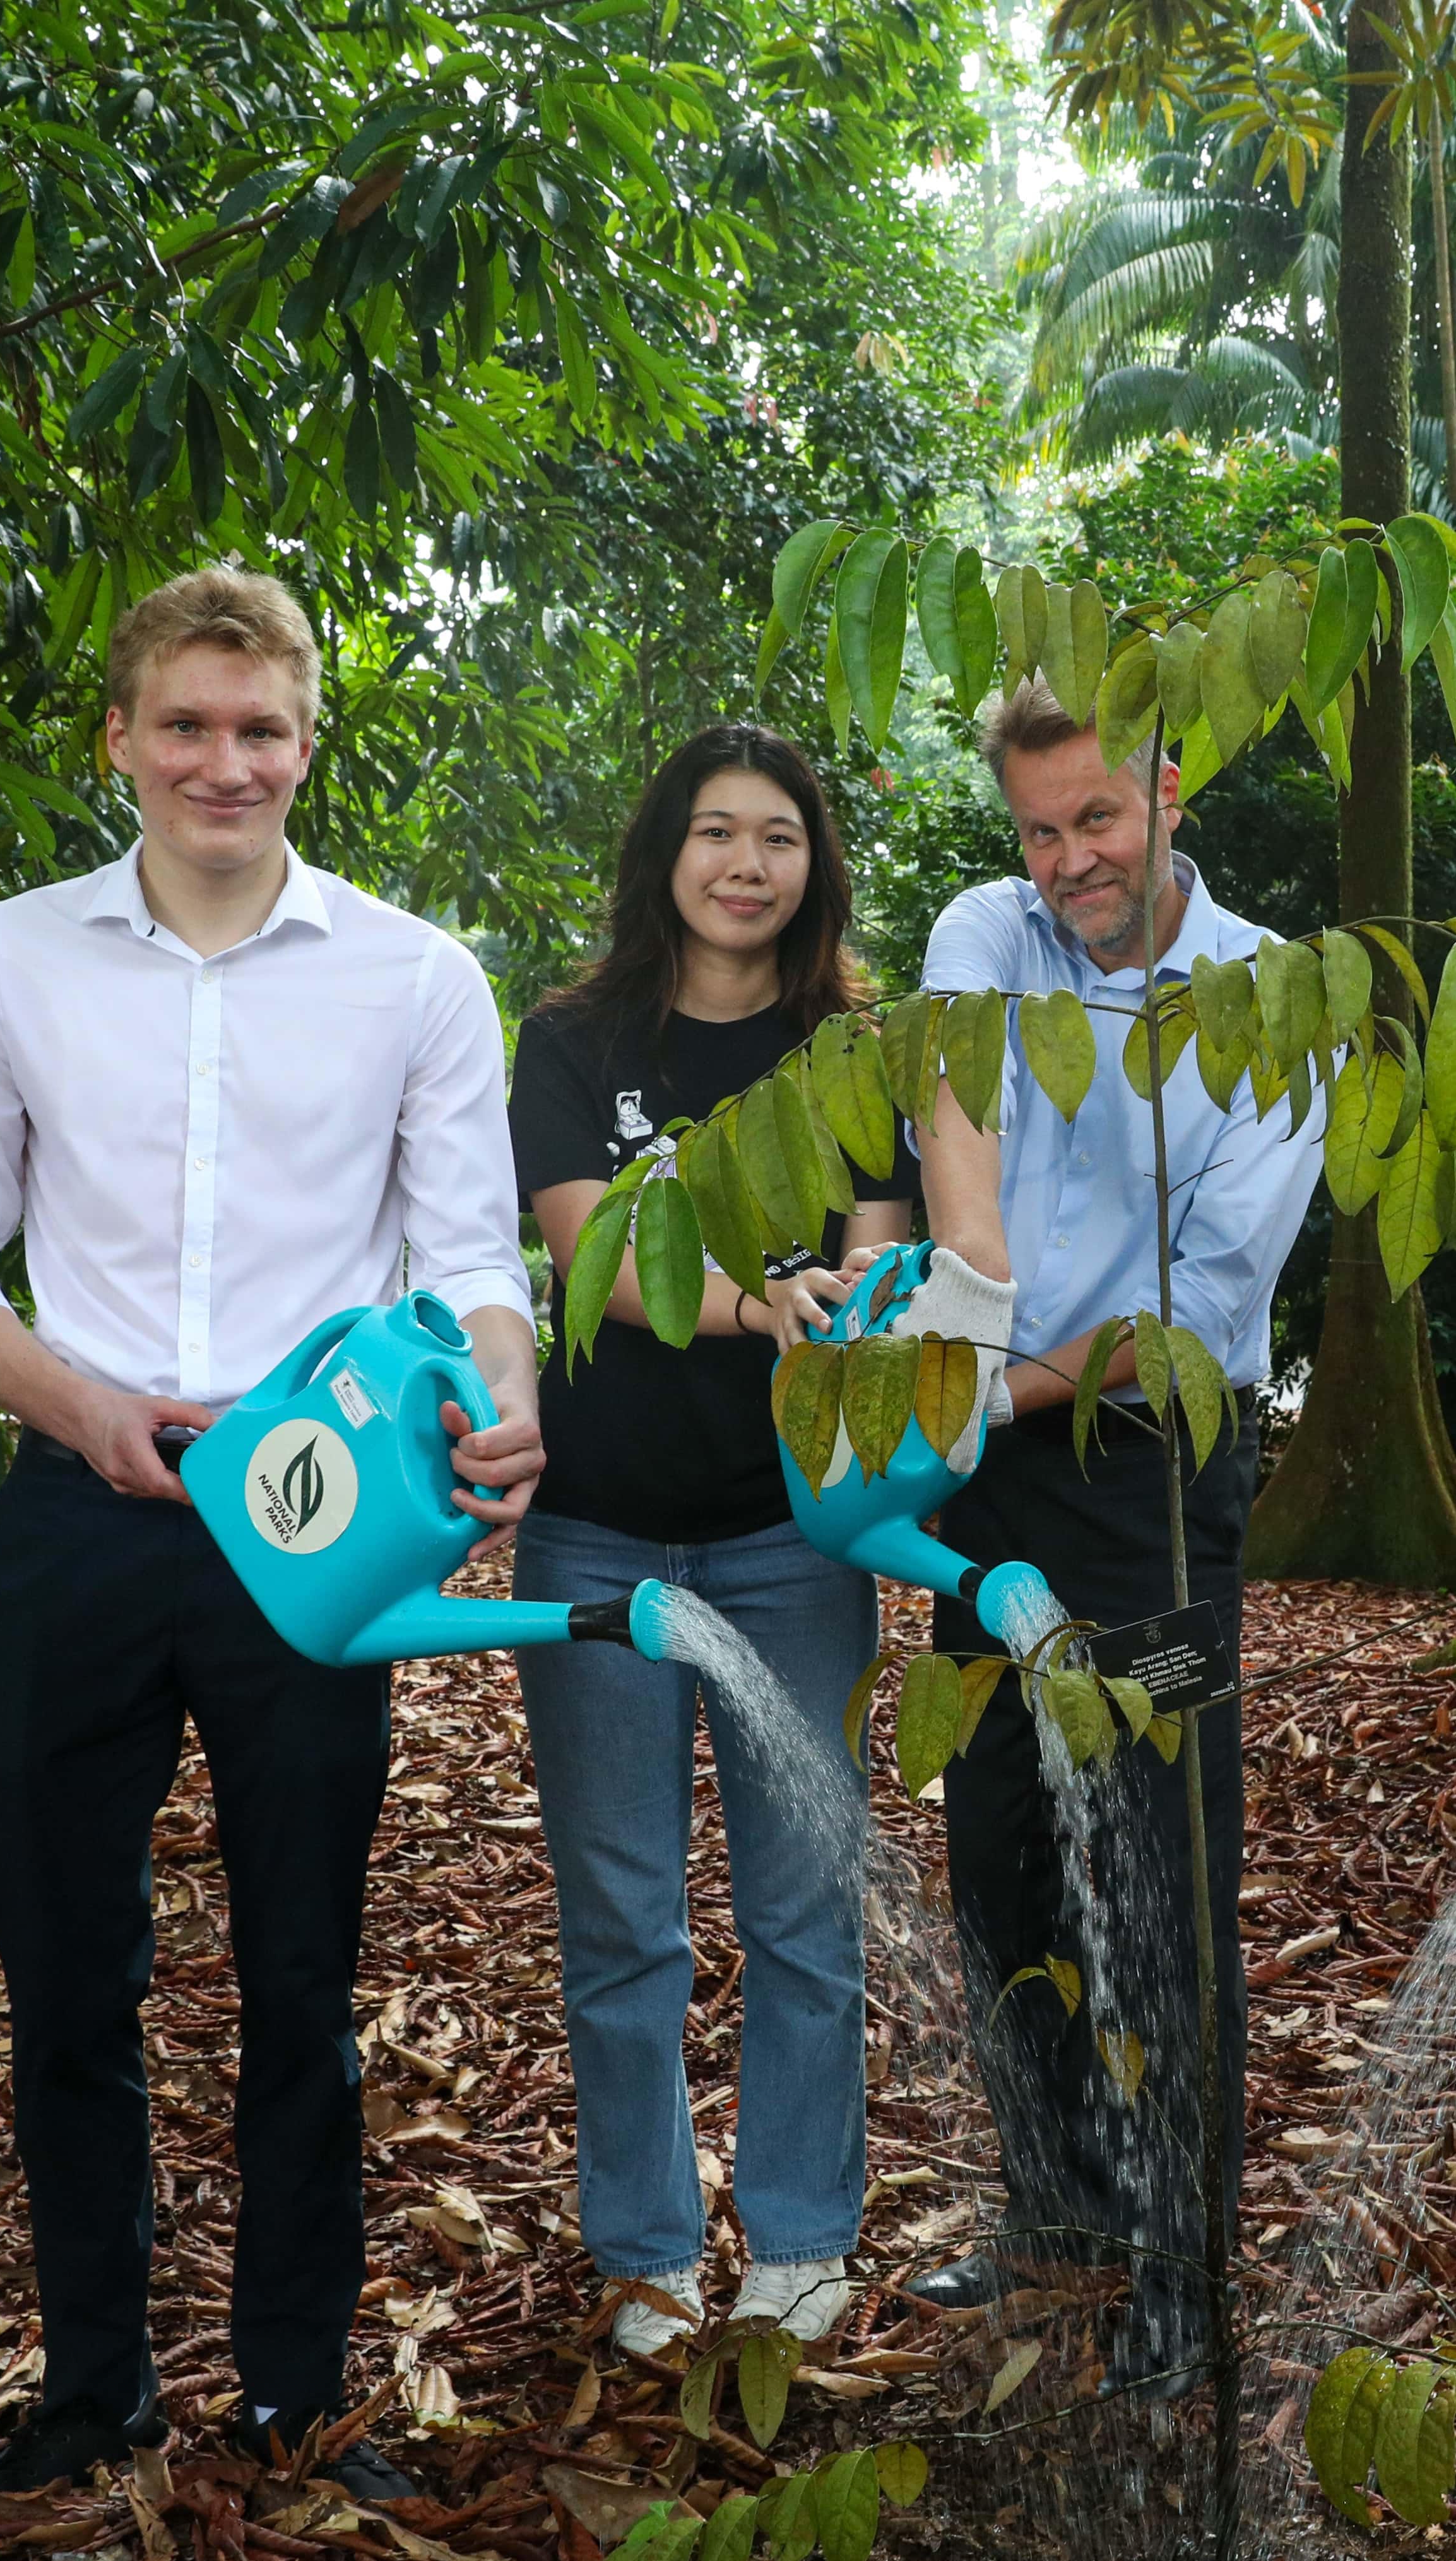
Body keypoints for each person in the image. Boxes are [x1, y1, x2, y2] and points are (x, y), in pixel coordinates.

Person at [0, 564, 542, 2499]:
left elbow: (471, 1252)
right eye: (185, 724)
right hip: (79, 1514)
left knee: (300, 1982)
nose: (221, 762)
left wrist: (505, 1397)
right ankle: (95, 2383)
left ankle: (296, 2386)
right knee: (65, 1984)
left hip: (314, 1525)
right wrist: (76, 1404)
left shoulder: (415, 973)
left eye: (259, 730)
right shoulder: (10, 958)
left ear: (308, 744)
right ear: (121, 740)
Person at [887, 677, 1325, 2387]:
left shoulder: (1272, 1001)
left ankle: (1180, 2267)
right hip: (995, 1454)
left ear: (1171, 789)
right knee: (999, 1833)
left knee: (1156, 1844)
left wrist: (1000, 1388)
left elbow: (1204, 1306)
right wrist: (975, 1343)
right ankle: (1053, 2211)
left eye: (1099, 819)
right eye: (1039, 828)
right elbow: (960, 1128)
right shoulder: (984, 931)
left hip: (1151, 1466)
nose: (1068, 859)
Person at [510, 725, 907, 2358]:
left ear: (814, 867)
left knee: (804, 1907)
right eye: (716, 833)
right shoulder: (569, 1034)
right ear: (665, 851)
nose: (748, 865)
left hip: (789, 1537)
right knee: (621, 1916)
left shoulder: (858, 1049)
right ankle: (647, 2248)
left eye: (782, 838)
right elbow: (592, 1258)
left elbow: (877, 1281)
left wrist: (854, 1324)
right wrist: (764, 1302)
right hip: (596, 1535)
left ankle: (804, 2238)